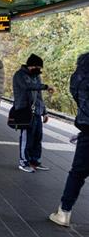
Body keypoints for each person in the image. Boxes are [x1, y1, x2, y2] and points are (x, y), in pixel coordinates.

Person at [49, 52, 89, 227]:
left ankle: (64, 212)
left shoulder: (79, 78)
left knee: (77, 173)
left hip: (87, 129)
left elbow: (77, 97)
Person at [13, 53, 54, 173]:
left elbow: (39, 95)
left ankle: (35, 161)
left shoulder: (36, 76)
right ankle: (23, 162)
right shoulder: (20, 75)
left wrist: (44, 112)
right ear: (31, 66)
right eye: (38, 67)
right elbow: (28, 86)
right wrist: (45, 86)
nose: (39, 70)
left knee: (37, 138)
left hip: (36, 112)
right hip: (24, 111)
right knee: (26, 138)